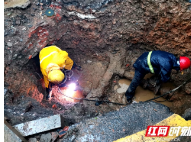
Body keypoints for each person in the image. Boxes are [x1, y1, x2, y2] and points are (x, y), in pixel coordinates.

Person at [125, 50, 191, 103]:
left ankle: (154, 78)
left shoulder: (171, 57)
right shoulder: (167, 65)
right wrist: (162, 80)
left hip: (145, 57)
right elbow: (165, 79)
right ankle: (128, 95)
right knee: (136, 81)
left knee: (161, 71)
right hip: (141, 64)